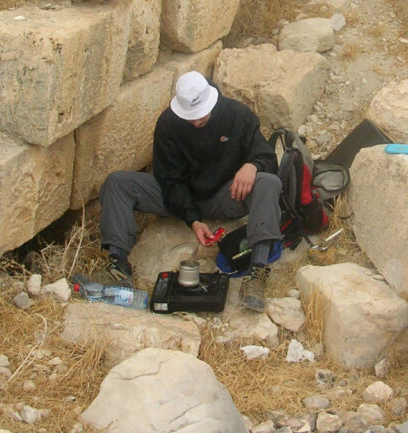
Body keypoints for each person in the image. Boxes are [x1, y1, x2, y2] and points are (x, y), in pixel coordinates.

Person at [96, 70, 282, 311]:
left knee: (267, 182)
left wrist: (252, 165)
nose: (196, 122)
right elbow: (169, 179)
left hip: (224, 196)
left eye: (200, 115)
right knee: (117, 182)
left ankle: (256, 273)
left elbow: (267, 157)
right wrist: (193, 220)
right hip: (179, 197)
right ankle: (118, 266)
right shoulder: (168, 124)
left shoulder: (236, 115)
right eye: (190, 117)